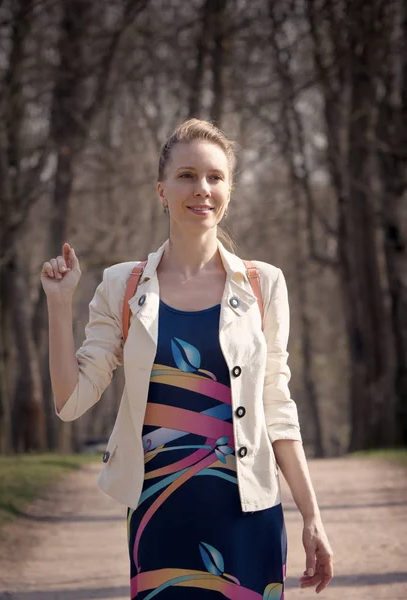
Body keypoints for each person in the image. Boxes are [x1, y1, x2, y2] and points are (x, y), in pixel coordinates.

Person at [41, 119, 333, 599]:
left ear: (230, 190)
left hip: (248, 512)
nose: (202, 189)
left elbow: (277, 409)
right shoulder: (123, 286)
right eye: (186, 175)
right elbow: (71, 401)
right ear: (161, 190)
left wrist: (312, 516)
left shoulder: (263, 285)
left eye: (215, 177)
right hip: (160, 512)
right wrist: (58, 303)